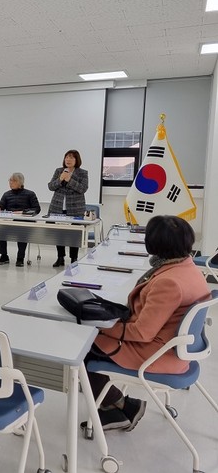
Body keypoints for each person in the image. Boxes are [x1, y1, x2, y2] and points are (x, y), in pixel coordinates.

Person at [85, 215, 210, 433]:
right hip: (173, 348)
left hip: (155, 354)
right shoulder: (188, 268)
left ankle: (114, 407)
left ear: (154, 245)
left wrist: (101, 326)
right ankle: (122, 406)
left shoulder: (168, 282)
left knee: (85, 348)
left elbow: (142, 332)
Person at [47, 150, 88, 267]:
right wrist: (60, 179)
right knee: (59, 233)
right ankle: (60, 257)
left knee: (74, 234)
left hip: (75, 208)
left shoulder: (82, 173)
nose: (68, 160)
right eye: (66, 157)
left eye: (71, 158)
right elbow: (51, 186)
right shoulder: (59, 171)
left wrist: (70, 179)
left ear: (76, 160)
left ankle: (74, 259)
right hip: (58, 207)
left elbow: (83, 188)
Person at [0, 172, 41, 267]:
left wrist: (23, 212)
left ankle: (20, 258)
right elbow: (1, 205)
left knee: (22, 233)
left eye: (13, 181)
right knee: (0, 231)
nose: (11, 182)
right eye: (10, 180)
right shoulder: (6, 194)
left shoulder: (30, 194)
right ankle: (4, 256)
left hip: (24, 223)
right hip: (10, 222)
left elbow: (37, 209)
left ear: (20, 182)